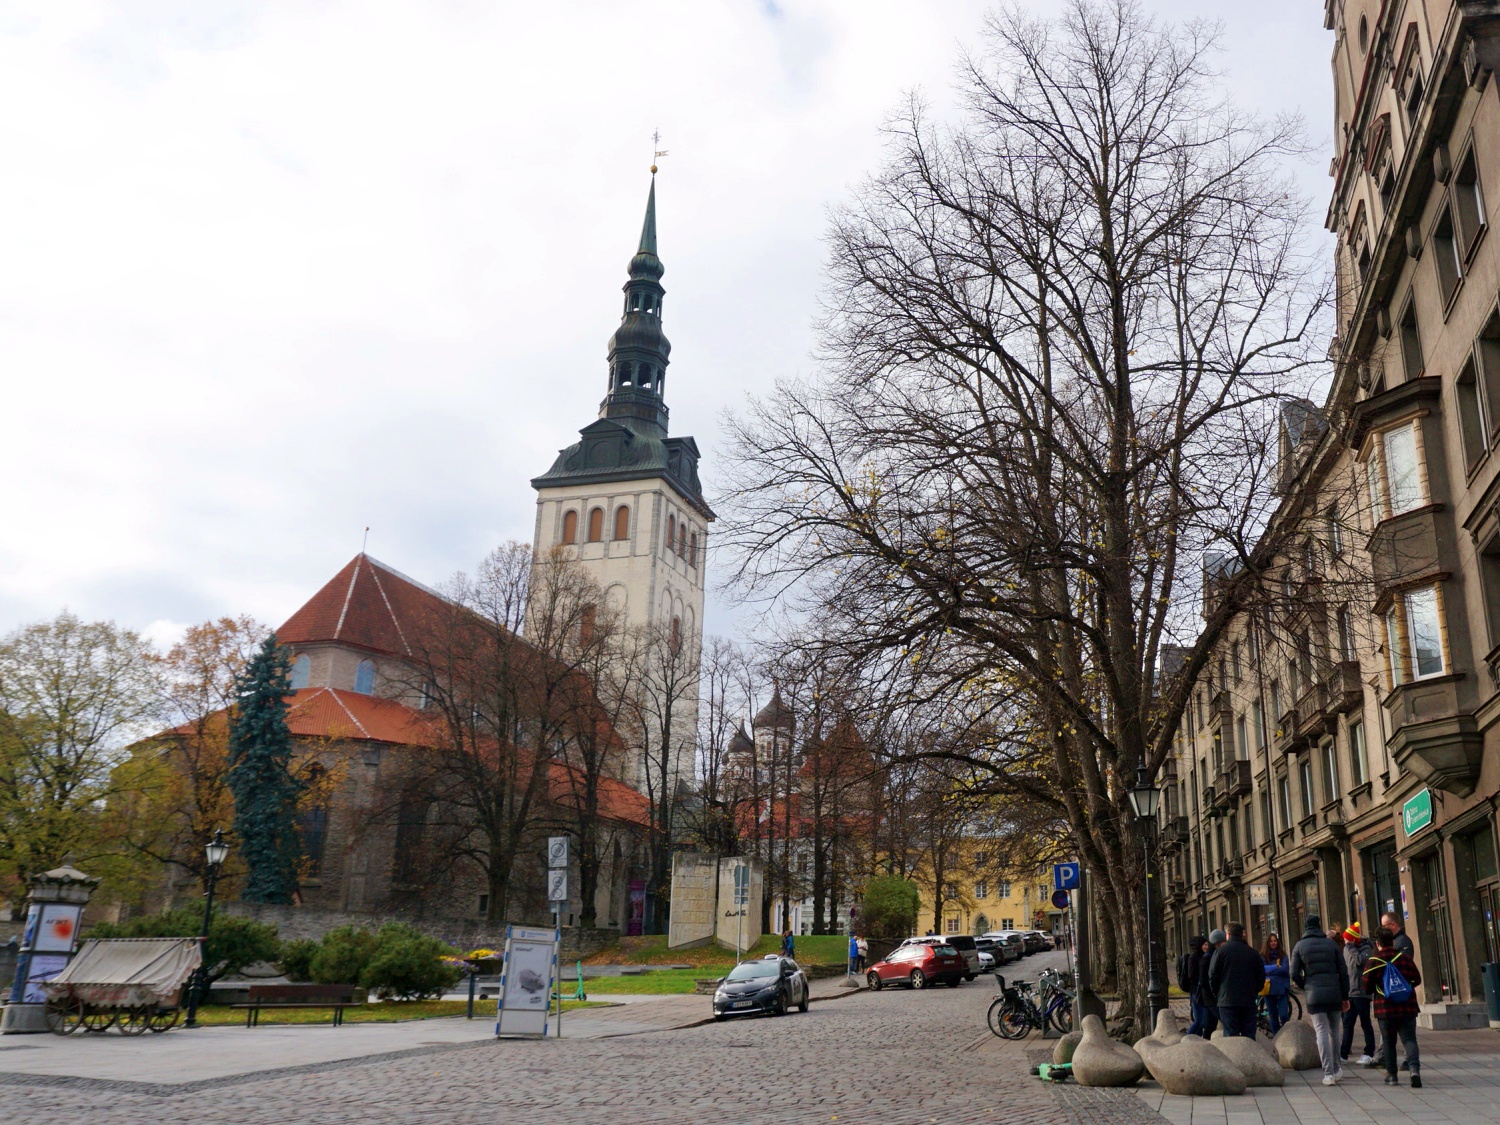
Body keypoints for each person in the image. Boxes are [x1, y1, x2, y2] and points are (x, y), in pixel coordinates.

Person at [1290, 914, 1351, 1086]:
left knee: (1321, 1031)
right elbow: (1343, 971)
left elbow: (1294, 973)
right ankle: (1337, 1068)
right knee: (1335, 1031)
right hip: (1334, 992)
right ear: (1319, 926)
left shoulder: (1300, 946)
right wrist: (1345, 996)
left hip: (1314, 993)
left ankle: (1328, 1073)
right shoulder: (1331, 944)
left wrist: (1306, 985)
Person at [1363, 925, 1422, 1089]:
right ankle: (1414, 1070)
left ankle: (1392, 1075)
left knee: (1389, 1042)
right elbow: (1417, 979)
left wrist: (1380, 989)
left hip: (1385, 1009)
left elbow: (1366, 986)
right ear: (1392, 941)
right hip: (1407, 1006)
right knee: (1409, 1039)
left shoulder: (1373, 962)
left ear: (1377, 943)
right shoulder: (1404, 958)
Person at [1370, 911, 1417, 1070]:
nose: (1382, 929)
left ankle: (1395, 1069)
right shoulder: (1398, 944)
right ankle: (1412, 1068)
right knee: (1406, 1037)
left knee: (1397, 1037)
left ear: (1393, 925)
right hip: (1402, 1001)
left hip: (1394, 999)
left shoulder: (1403, 943)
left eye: (1384, 926)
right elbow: (1415, 977)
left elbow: (1406, 971)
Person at [1208, 921, 1266, 1038]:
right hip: (1248, 1000)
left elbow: (1212, 976)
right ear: (1242, 934)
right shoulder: (1253, 953)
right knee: (1249, 1036)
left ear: (1228, 934)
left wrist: (1218, 994)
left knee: (1231, 1037)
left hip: (1227, 1000)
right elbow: (1261, 976)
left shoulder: (1220, 952)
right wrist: (1254, 991)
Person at [1341, 922, 1376, 1065]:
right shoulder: (1347, 949)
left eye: (1347, 939)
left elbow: (1361, 961)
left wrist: (1350, 948)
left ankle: (1369, 1052)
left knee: (1365, 1022)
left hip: (1362, 992)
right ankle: (1343, 1053)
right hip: (1351, 991)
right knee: (1347, 1023)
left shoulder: (1366, 949)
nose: (1345, 942)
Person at [1261, 933, 1291, 1035]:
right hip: (1269, 989)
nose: (1273, 943)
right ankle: (1277, 1037)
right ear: (1268, 943)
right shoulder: (1263, 956)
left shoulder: (1283, 955)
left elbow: (1285, 970)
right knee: (1273, 1015)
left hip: (1282, 989)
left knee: (1283, 1015)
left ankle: (1285, 1036)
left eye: (1275, 941)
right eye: (1271, 941)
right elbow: (1262, 970)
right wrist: (1276, 967)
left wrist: (1270, 970)